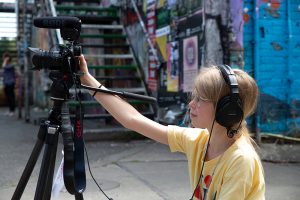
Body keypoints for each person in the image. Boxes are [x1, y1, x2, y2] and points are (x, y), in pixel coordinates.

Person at [78, 55, 265, 200]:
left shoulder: (240, 161)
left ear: (227, 110)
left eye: (200, 99)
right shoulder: (199, 140)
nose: (191, 104)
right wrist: (87, 80)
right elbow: (133, 119)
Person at [1, 52, 16, 116]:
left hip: (10, 83)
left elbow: (4, 66)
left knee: (11, 97)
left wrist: (5, 60)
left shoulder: (10, 65)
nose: (4, 59)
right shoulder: (6, 66)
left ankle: (12, 111)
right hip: (6, 83)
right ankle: (10, 110)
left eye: (5, 57)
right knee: (8, 97)